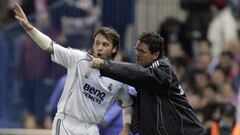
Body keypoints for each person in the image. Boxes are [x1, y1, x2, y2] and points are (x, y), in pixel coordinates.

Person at [14, 3, 133, 135]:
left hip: (91, 129)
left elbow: (128, 105)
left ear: (114, 49)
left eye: (105, 44)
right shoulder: (78, 59)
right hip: (67, 124)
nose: (99, 47)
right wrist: (29, 28)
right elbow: (50, 46)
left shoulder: (118, 78)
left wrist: (126, 128)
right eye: (97, 43)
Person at [91, 32, 205, 134]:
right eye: (136, 50)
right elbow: (149, 106)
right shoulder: (148, 78)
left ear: (155, 55)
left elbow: (139, 74)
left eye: (142, 51)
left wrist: (105, 65)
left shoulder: (162, 72)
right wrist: (130, 101)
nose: (137, 54)